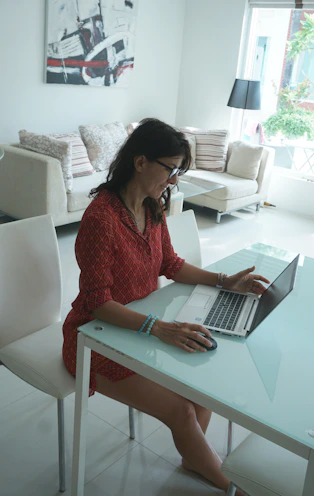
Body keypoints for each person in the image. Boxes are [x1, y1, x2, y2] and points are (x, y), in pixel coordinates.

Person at [62, 118, 269, 495]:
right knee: (181, 410)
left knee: (202, 386)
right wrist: (159, 328)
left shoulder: (152, 206)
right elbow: (98, 303)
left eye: (178, 170)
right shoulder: (101, 219)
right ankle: (233, 487)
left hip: (140, 328)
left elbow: (170, 264)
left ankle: (194, 456)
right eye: (170, 168)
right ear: (141, 162)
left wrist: (224, 281)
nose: (173, 179)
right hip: (96, 338)